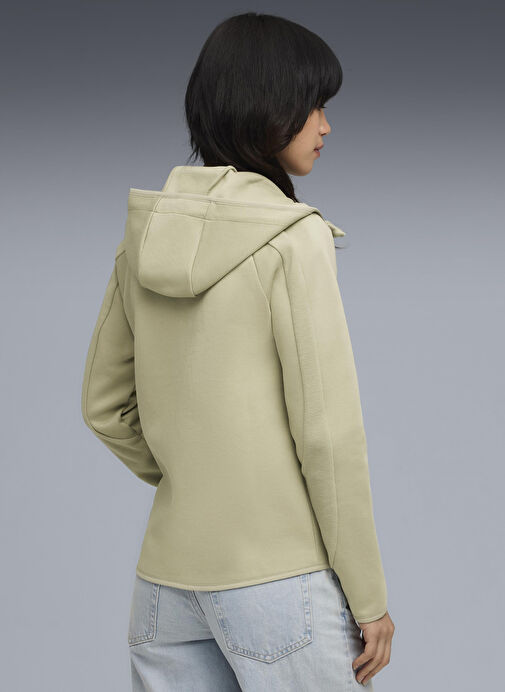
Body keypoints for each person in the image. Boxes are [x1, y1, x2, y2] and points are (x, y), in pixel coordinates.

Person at [80, 11, 395, 691]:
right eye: (314, 104)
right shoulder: (293, 237)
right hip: (278, 578)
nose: (325, 126)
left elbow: (103, 409)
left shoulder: (143, 236)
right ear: (268, 107)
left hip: (164, 585)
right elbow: (328, 434)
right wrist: (368, 597)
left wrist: (195, 479)